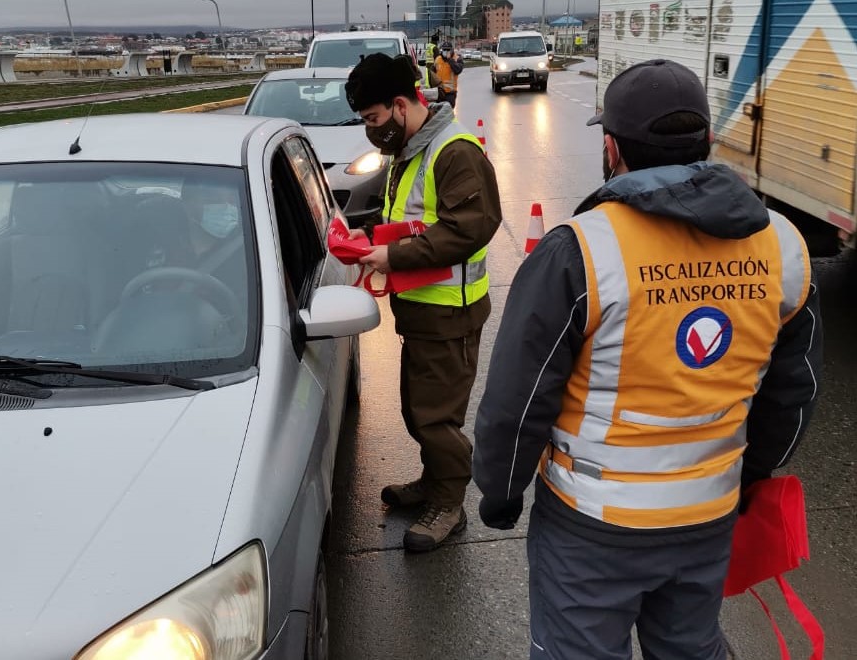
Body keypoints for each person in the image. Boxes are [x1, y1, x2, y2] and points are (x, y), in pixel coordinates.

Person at [473, 58, 823, 659]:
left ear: (612, 149)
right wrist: (749, 475)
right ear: (707, 142)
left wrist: (501, 493)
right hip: (707, 517)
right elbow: (794, 392)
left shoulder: (580, 250)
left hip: (594, 525)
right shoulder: (784, 246)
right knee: (690, 648)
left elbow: (518, 399)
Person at [344, 53, 502, 552]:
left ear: (399, 104)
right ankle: (434, 483)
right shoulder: (411, 149)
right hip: (422, 309)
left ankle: (449, 504)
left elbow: (468, 230)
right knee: (418, 411)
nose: (371, 131)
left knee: (436, 418)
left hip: (450, 312)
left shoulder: (454, 151)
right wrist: (368, 236)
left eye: (373, 119)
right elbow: (411, 218)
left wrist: (394, 256)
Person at [434, 43, 463, 108]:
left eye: (448, 50)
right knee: (438, 114)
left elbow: (458, 70)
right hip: (439, 92)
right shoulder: (438, 59)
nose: (446, 51)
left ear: (452, 50)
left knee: (448, 114)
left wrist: (450, 60)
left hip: (450, 93)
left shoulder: (457, 59)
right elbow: (432, 73)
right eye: (444, 50)